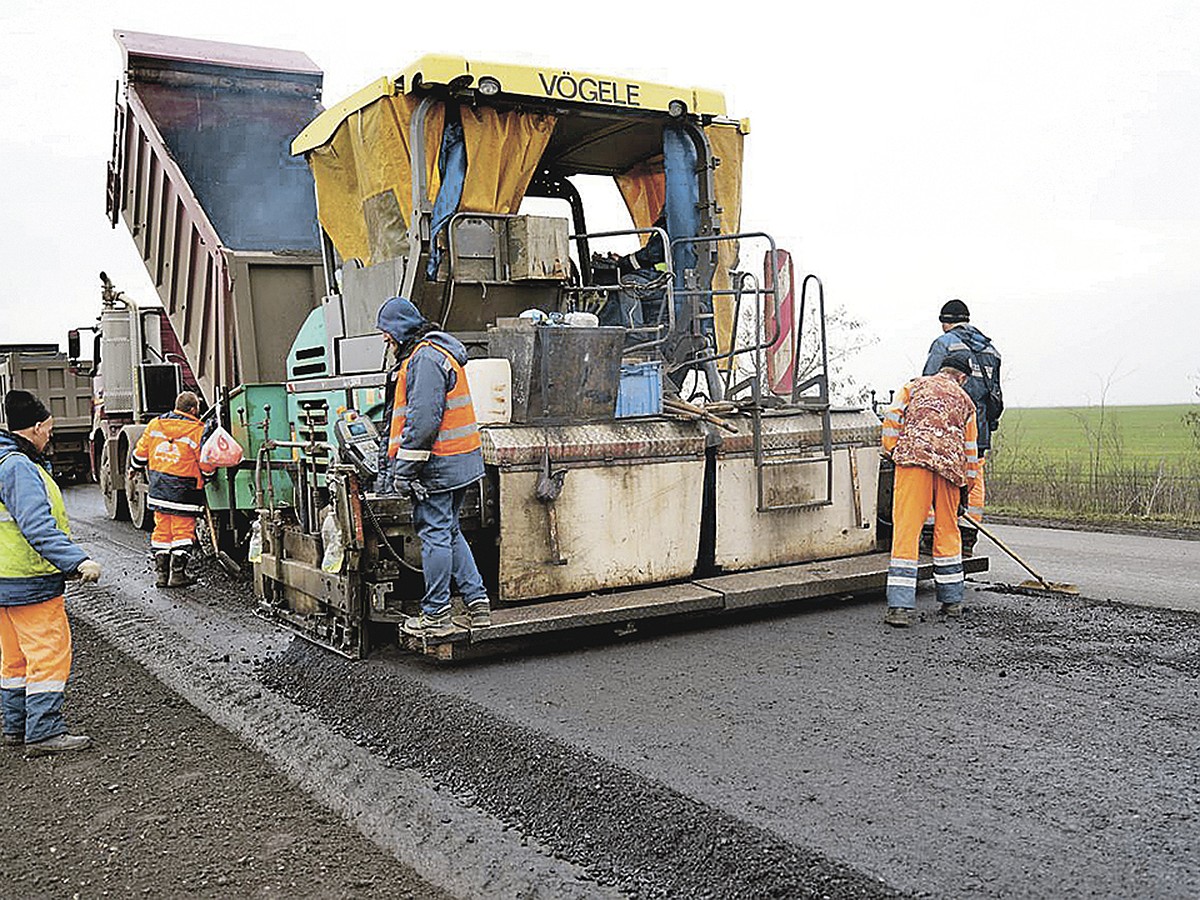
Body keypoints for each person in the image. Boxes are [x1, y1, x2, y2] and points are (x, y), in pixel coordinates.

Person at [375, 296, 492, 637]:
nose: (385, 339)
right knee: (450, 530)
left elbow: (423, 421)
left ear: (399, 330)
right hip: (459, 461)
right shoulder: (435, 353)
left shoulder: (424, 359)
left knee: (435, 534)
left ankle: (436, 613)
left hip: (439, 465)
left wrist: (404, 471)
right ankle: (477, 602)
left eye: (386, 332)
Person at [0, 390, 100, 755]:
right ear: (37, 426)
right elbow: (37, 527)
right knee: (47, 653)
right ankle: (43, 732)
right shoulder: (19, 468)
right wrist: (76, 561)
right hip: (29, 583)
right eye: (49, 430)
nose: (50, 437)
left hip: (5, 582)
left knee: (14, 660)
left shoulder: (3, 461)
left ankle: (16, 727)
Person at [880, 354, 979, 627]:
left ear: (941, 371)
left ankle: (900, 608)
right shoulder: (966, 402)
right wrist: (965, 489)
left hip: (913, 464)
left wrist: (892, 451)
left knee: (907, 531)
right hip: (949, 470)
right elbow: (971, 453)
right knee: (947, 530)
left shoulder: (914, 386)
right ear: (962, 378)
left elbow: (892, 418)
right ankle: (952, 601)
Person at [922, 299, 1002, 536]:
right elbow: (995, 392)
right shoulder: (990, 350)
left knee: (937, 474)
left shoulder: (944, 344)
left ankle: (931, 533)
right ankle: (968, 533)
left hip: (949, 426)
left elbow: (930, 386)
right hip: (979, 427)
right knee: (973, 477)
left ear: (944, 322)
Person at [129, 391, 215, 588]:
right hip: (184, 491)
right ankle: (178, 574)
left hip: (159, 489)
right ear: (193, 409)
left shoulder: (156, 425)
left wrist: (133, 469)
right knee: (183, 532)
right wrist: (209, 477)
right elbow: (205, 463)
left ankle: (161, 575)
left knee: (162, 532)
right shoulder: (197, 430)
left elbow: (140, 454)